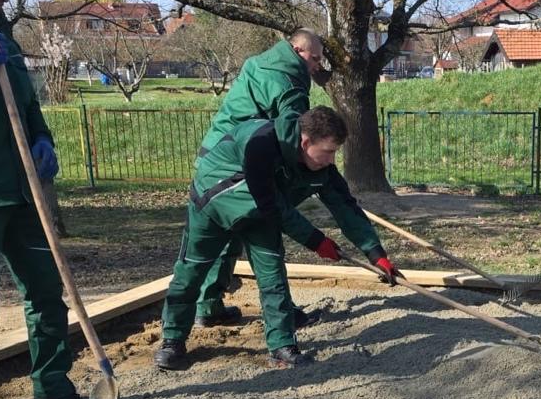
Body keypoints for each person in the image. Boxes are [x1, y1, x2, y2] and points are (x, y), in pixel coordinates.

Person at [154, 105, 396, 370]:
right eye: (328, 151)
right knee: (192, 270)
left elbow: (345, 207)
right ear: (305, 142)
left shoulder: (321, 168)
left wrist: (376, 254)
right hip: (213, 202)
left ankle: (281, 347)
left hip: (260, 212)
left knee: (273, 274)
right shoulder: (262, 143)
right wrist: (316, 241)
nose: (331, 160)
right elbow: (272, 204)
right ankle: (172, 341)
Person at [0, 0, 86, 399]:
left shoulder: (4, 37)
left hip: (22, 190)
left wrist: (43, 138)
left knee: (48, 290)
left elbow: (27, 106)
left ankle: (52, 385)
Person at [192, 27, 331, 328]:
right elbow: (294, 136)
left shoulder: (259, 63)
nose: (318, 65)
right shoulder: (289, 83)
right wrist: (307, 175)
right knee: (264, 235)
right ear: (297, 51)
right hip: (241, 161)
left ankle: (208, 306)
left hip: (214, 156)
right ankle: (282, 314)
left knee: (229, 232)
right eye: (315, 58)